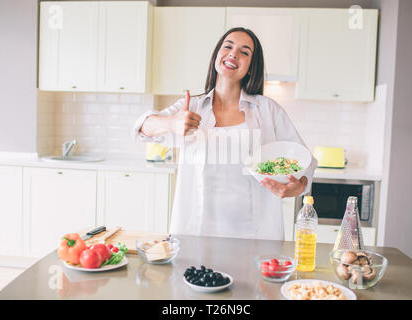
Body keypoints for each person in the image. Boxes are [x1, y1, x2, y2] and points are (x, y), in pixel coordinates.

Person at [134, 27, 317, 241]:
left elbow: (306, 161)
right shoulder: (191, 106)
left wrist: (298, 187)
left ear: (251, 67)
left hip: (255, 233)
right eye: (228, 46)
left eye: (244, 52)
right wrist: (172, 123)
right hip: (196, 229)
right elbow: (143, 128)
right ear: (217, 56)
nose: (233, 54)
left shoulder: (268, 110)